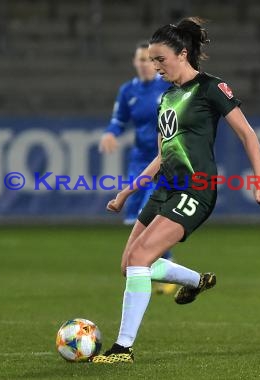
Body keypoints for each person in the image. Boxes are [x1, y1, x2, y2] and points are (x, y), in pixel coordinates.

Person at [92, 17, 260, 364]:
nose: (154, 66)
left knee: (141, 260)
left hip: (196, 189)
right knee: (130, 264)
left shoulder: (211, 89)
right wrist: (127, 193)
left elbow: (248, 135)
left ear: (183, 53)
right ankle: (194, 281)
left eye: (159, 59)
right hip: (165, 189)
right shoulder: (166, 99)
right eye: (151, 60)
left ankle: (123, 348)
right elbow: (162, 156)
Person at [98, 41, 177, 295]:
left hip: (163, 159)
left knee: (150, 213)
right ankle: (161, 265)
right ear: (134, 62)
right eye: (140, 60)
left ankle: (163, 267)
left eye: (149, 60)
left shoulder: (167, 88)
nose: (144, 64)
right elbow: (118, 121)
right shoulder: (127, 91)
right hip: (138, 160)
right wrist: (110, 134)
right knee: (134, 217)